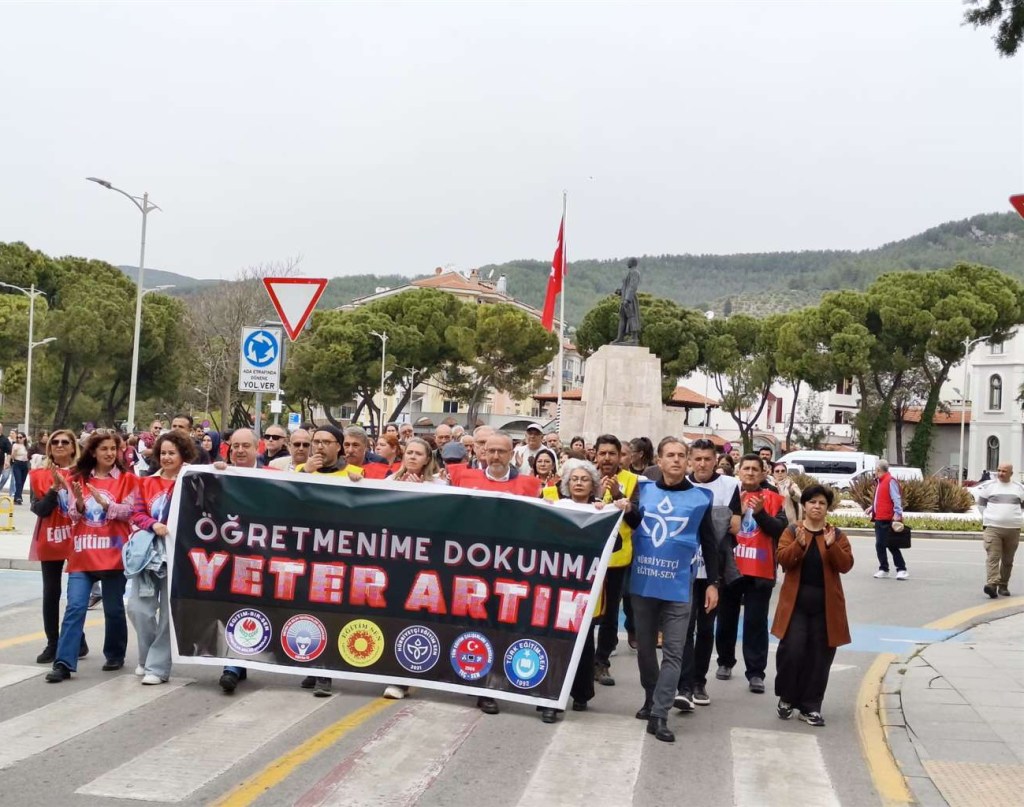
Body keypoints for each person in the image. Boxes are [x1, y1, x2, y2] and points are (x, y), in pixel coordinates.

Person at [631, 438, 718, 743]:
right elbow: (631, 523)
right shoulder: (642, 490)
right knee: (644, 648)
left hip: (680, 586)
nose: (677, 460)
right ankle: (650, 696)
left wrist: (713, 583)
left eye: (682, 456)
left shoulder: (700, 498)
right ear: (659, 460)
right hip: (642, 583)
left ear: (689, 461)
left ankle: (660, 713)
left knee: (674, 652)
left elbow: (710, 542)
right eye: (671, 455)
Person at [450, 431, 542, 714]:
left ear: (512, 452)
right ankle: (472, 677)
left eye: (501, 451)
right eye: (490, 451)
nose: (496, 457)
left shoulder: (529, 485)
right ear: (482, 453)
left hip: (509, 571)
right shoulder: (464, 479)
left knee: (499, 627)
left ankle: (489, 684)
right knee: (471, 626)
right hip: (470, 569)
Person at [538, 458, 630, 722]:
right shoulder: (556, 507)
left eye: (585, 479)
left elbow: (616, 545)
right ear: (567, 483)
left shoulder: (602, 511)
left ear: (594, 485)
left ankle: (581, 692)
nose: (579, 483)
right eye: (574, 479)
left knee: (584, 641)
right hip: (557, 585)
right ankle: (551, 696)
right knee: (556, 641)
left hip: (587, 589)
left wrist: (605, 522)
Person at [45, 430, 136, 682]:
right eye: (103, 449)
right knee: (75, 606)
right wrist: (81, 503)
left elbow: (131, 512)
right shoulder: (79, 478)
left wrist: (107, 505)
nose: (109, 453)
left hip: (114, 553)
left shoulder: (128, 479)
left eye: (113, 449)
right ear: (93, 452)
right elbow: (73, 514)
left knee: (114, 609)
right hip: (83, 552)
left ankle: (115, 653)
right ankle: (63, 662)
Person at [772, 485, 853, 727]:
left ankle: (811, 706)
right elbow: (783, 560)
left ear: (827, 508)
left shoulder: (835, 534)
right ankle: (787, 698)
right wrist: (798, 544)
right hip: (795, 605)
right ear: (804, 506)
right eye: (812, 502)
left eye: (822, 503)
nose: (817, 507)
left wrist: (831, 546)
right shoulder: (791, 530)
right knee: (792, 652)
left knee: (821, 657)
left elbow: (846, 565)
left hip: (826, 608)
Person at [127, 430, 197, 685]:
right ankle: (147, 657)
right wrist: (152, 524)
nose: (166, 458)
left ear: (183, 455)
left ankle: (157, 667)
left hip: (179, 556)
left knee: (169, 614)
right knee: (137, 609)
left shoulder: (193, 481)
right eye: (163, 453)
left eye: (172, 453)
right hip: (148, 555)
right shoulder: (146, 482)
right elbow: (136, 513)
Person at [677, 438, 741, 710]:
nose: (702, 464)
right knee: (683, 628)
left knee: (705, 628)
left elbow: (735, 528)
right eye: (698, 459)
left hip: (713, 571)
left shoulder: (729, 486)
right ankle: (684, 684)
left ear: (716, 460)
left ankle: (699, 681)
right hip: (682, 570)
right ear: (690, 460)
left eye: (707, 459)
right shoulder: (682, 484)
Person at [715, 454, 787, 694]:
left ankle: (756, 672)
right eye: (746, 468)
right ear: (739, 471)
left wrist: (759, 513)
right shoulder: (728, 495)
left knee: (755, 623)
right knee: (726, 619)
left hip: (760, 570)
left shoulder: (775, 499)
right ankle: (725, 662)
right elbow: (717, 528)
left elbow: (780, 530)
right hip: (730, 568)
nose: (750, 473)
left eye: (756, 469)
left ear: (763, 473)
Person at [29, 429, 87, 664]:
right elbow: (40, 510)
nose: (60, 445)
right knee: (51, 593)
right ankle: (53, 643)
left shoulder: (83, 474)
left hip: (78, 539)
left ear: (74, 447)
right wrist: (54, 488)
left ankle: (77, 640)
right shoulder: (37, 475)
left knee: (77, 596)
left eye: (65, 442)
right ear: (49, 447)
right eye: (55, 442)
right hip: (51, 537)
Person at [591, 435, 640, 687]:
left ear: (620, 455)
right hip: (587, 556)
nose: (607, 458)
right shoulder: (585, 476)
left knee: (610, 613)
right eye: (603, 453)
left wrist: (620, 496)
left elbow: (637, 521)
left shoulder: (632, 481)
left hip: (617, 559)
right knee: (585, 611)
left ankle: (602, 662)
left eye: (612, 453)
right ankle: (581, 659)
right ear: (595, 455)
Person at [975, 462, 1023, 598]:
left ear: (1011, 473)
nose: (1001, 473)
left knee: (1008, 560)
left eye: (1004, 471)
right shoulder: (989, 487)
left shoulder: (1019, 488)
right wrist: (989, 519)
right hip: (993, 528)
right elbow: (981, 505)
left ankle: (1003, 585)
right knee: (993, 557)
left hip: (1013, 529)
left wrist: (1015, 517)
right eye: (999, 470)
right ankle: (992, 584)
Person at [866, 459, 908, 580]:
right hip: (880, 518)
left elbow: (896, 499)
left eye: (875, 469)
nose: (874, 471)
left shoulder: (890, 481)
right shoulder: (880, 481)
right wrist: (872, 507)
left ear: (878, 469)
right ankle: (884, 569)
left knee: (892, 545)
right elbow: (881, 498)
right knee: (880, 545)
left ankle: (902, 569)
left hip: (889, 519)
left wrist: (897, 514)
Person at [613, 257, 642, 344]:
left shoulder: (635, 272)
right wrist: (620, 291)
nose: (627, 263)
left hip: (629, 300)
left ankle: (634, 338)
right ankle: (620, 338)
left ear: (632, 263)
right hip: (624, 299)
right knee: (622, 318)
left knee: (632, 317)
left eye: (628, 262)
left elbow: (633, 286)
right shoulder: (629, 273)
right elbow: (626, 287)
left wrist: (627, 299)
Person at [9, 432, 29, 504]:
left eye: (20, 437)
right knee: (18, 482)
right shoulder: (15, 445)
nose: (18, 439)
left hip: (25, 464)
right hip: (17, 464)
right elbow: (12, 457)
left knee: (22, 482)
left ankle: (17, 498)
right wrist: (14, 451)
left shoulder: (27, 446)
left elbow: (29, 456)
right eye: (17, 437)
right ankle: (18, 497)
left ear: (24, 438)